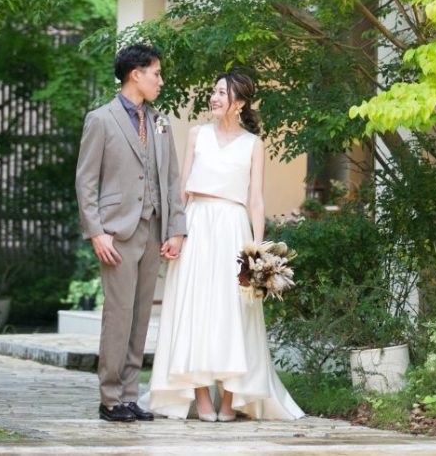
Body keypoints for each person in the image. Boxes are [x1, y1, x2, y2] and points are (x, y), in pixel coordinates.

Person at [143, 71, 303, 422]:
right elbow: (182, 188)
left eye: (221, 93)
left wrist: (258, 252)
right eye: (213, 91)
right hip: (197, 224)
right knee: (196, 307)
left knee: (234, 310)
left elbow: (256, 200)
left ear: (240, 103)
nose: (214, 98)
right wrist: (175, 231)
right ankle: (201, 396)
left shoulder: (253, 144)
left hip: (233, 226)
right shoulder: (197, 135)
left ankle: (229, 399)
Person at [75, 43, 188, 423]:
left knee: (141, 317)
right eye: (156, 73)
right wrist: (96, 232)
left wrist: (176, 229)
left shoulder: (161, 121)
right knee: (119, 315)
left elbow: (171, 180)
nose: (160, 80)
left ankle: (128, 395)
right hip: (117, 232)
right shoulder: (101, 119)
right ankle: (109, 398)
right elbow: (85, 182)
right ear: (135, 74)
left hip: (154, 230)